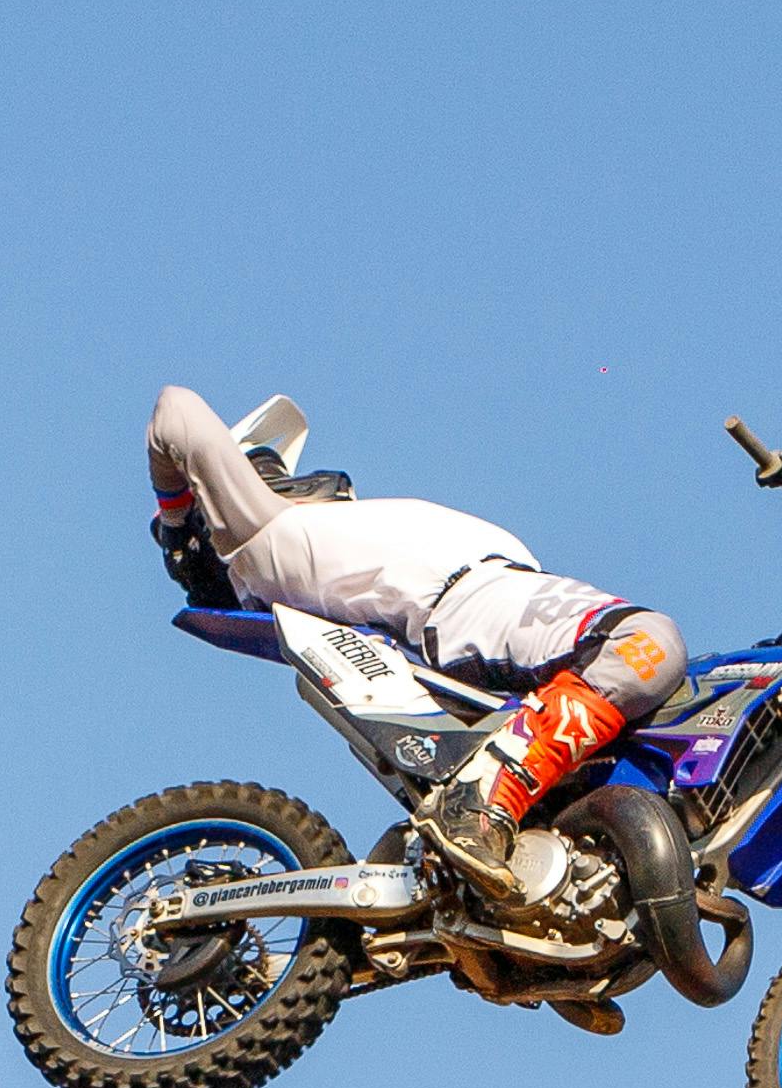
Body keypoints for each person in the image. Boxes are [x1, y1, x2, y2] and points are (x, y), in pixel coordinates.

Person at [142, 383, 686, 907]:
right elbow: (176, 410)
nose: (305, 480)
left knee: (687, 711)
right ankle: (479, 804)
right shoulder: (270, 535)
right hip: (473, 605)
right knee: (643, 645)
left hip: (501, 609)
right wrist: (176, 523)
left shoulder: (313, 534)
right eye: (263, 469)